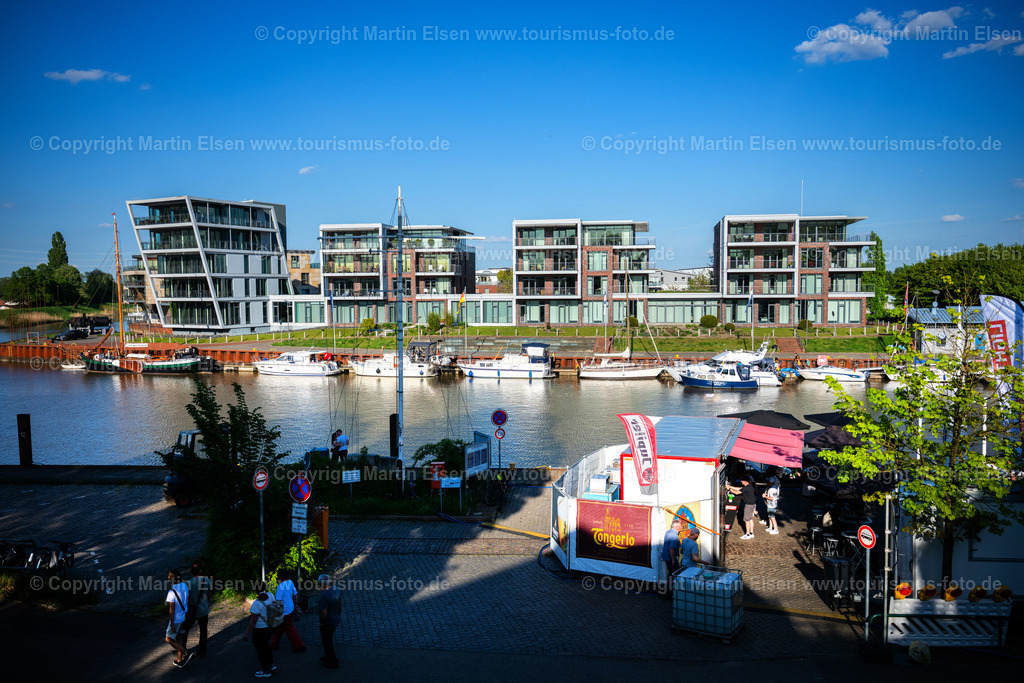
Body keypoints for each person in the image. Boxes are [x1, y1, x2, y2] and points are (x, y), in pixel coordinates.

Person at [178, 562, 211, 657]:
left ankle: (183, 648)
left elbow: (187, 599)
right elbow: (209, 595)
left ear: (192, 572)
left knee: (185, 629)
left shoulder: (188, 583)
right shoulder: (207, 580)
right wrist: (207, 603)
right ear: (200, 571)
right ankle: (202, 651)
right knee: (203, 631)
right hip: (204, 610)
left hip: (192, 611)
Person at [243, 582, 277, 678]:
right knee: (266, 645)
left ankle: (265, 670)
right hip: (270, 627)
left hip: (259, 630)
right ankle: (271, 664)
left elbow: (253, 621)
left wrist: (246, 633)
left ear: (255, 590)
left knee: (260, 649)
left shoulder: (256, 604)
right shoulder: (270, 595)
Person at [269, 570, 306, 653]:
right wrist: (296, 605)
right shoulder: (290, 582)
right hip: (291, 608)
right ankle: (274, 644)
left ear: (281, 577)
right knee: (280, 628)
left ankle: (299, 646)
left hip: (284, 611)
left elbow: (278, 601)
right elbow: (295, 595)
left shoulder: (280, 587)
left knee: (290, 629)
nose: (277, 578)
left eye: (278, 576)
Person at [165, 569, 193, 668]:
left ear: (171, 579)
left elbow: (171, 610)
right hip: (183, 617)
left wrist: (172, 623)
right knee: (179, 638)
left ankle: (186, 653)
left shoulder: (171, 592)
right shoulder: (185, 586)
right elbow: (188, 600)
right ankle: (179, 659)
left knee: (168, 639)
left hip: (176, 619)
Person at [317, 573, 343, 668]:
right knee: (329, 640)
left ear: (321, 583)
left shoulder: (324, 596)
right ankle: (328, 657)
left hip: (327, 622)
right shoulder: (336, 589)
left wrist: (321, 622)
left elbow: (324, 613)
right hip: (335, 620)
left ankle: (332, 661)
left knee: (327, 642)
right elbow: (340, 604)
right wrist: (338, 615)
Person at [727, 475, 757, 539]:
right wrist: (730, 486)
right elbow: (740, 488)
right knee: (751, 519)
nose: (741, 481)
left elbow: (737, 492)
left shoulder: (746, 488)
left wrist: (730, 489)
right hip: (753, 504)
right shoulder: (750, 486)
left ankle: (747, 534)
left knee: (746, 520)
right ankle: (751, 533)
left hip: (748, 505)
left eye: (742, 480)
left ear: (745, 481)